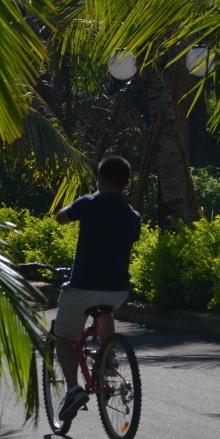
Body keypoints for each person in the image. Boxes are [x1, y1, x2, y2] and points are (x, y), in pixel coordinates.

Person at [53, 155, 141, 422]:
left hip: (83, 288)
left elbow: (61, 218)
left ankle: (73, 389)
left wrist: (95, 194)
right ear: (126, 185)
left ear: (100, 179)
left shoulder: (89, 203)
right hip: (117, 292)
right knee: (105, 310)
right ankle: (108, 357)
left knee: (63, 336)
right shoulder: (132, 216)